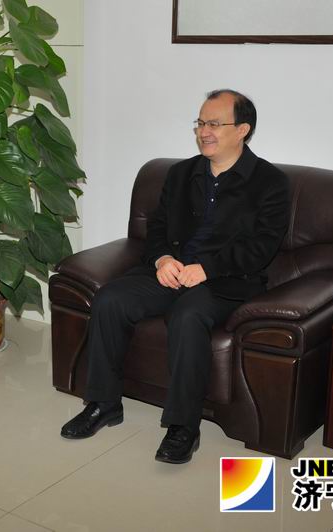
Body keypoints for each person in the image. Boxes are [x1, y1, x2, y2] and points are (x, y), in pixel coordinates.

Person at [60, 89, 290, 464]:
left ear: (242, 129)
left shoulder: (270, 182)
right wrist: (162, 258)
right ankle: (103, 404)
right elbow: (156, 228)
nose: (204, 131)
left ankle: (184, 426)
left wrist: (208, 268)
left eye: (214, 123)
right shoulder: (181, 174)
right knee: (111, 299)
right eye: (200, 123)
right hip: (173, 271)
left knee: (188, 315)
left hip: (225, 280)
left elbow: (262, 248)